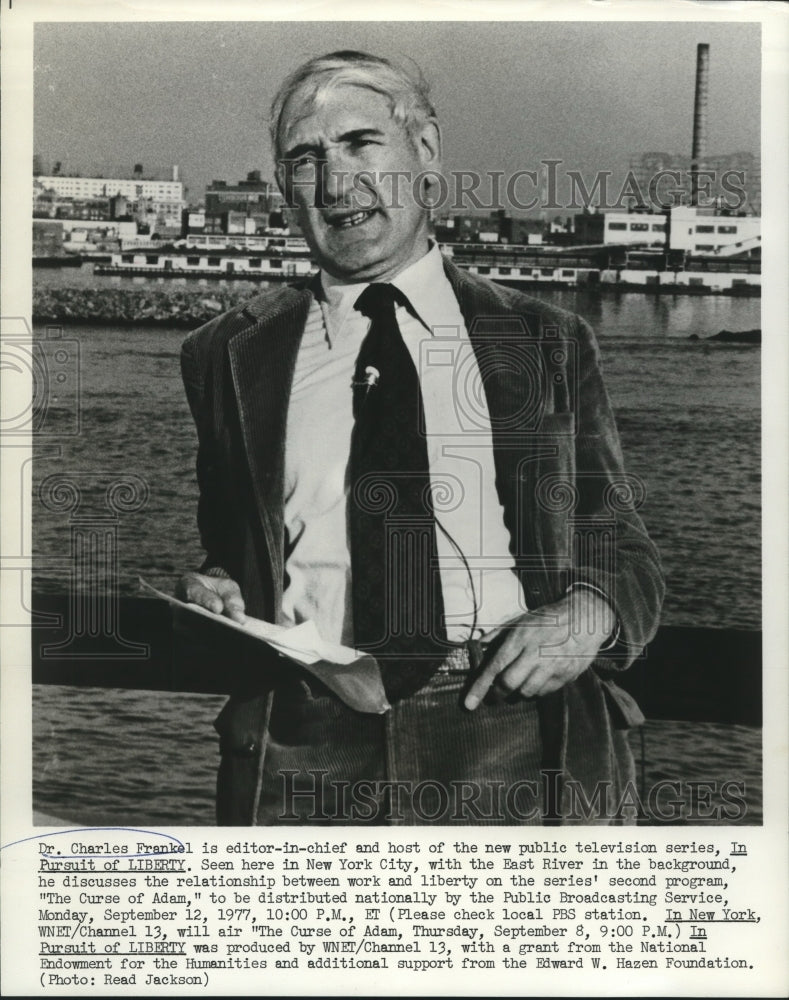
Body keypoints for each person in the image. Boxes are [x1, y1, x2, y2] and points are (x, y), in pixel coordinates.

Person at [178, 50, 664, 826]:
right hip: (307, 739)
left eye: (362, 143)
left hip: (511, 731)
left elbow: (621, 547)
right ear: (283, 186)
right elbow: (233, 544)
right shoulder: (227, 355)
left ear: (425, 154)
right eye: (305, 158)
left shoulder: (541, 339)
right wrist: (216, 585)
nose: (337, 184)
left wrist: (590, 612)